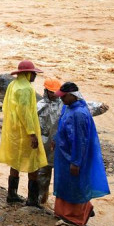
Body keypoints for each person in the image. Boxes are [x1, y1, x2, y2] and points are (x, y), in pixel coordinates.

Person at [52, 82, 109, 225]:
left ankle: (76, 216)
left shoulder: (79, 114)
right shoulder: (68, 107)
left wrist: (76, 162)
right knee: (64, 184)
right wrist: (55, 139)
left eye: (63, 96)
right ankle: (63, 212)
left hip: (72, 156)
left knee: (75, 186)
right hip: (64, 154)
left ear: (72, 95)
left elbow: (80, 140)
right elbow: (61, 126)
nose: (61, 99)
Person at [0, 59, 48, 207]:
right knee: (33, 164)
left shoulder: (13, 85)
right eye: (33, 73)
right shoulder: (26, 89)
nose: (34, 76)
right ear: (27, 73)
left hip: (14, 132)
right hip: (25, 132)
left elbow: (6, 107)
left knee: (15, 162)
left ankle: (11, 194)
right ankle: (32, 199)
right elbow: (26, 113)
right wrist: (32, 133)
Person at [35, 77, 63, 205]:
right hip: (44, 144)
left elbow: (84, 107)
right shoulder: (39, 106)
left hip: (60, 144)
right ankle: (41, 200)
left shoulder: (64, 104)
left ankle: (63, 204)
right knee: (42, 173)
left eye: (55, 91)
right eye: (51, 91)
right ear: (46, 91)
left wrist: (100, 107)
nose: (53, 94)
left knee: (62, 174)